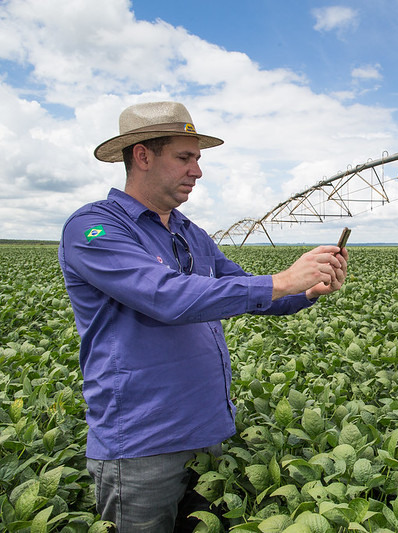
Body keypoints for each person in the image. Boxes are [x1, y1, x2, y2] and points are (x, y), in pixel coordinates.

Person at [58, 101, 348, 531]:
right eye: (184, 157)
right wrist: (283, 279)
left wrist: (308, 288)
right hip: (142, 445)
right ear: (142, 155)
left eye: (197, 159)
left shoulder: (188, 231)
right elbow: (167, 296)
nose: (197, 170)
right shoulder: (95, 228)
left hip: (210, 435)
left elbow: (248, 290)